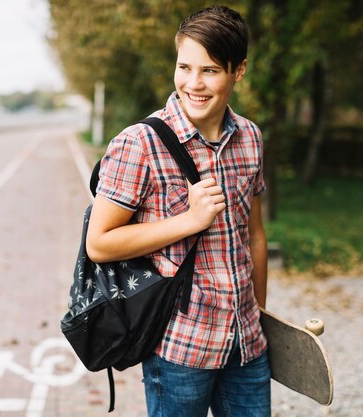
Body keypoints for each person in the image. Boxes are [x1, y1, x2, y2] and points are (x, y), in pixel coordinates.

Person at [86, 5, 270, 417]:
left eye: (209, 71)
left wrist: (260, 314)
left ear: (238, 71)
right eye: (184, 67)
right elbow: (99, 243)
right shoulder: (139, 144)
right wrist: (189, 221)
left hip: (247, 347)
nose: (194, 83)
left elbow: (254, 234)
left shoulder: (251, 139)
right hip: (179, 349)